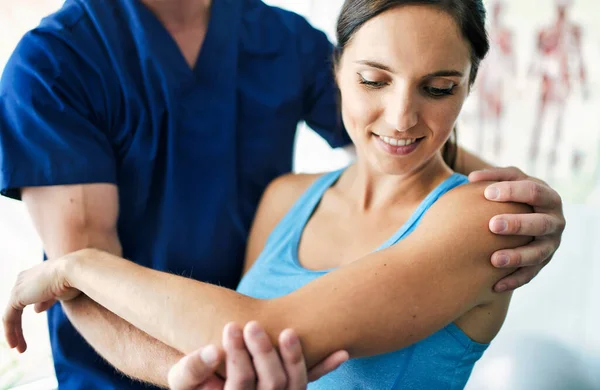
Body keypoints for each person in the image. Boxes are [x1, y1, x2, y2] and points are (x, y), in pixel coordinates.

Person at [1, 0, 565, 388]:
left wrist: (525, 203)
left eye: (443, 87)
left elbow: (400, 138)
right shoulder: (56, 63)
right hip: (128, 368)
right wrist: (207, 373)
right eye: (371, 79)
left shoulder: (283, 42)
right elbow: (92, 284)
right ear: (341, 72)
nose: (401, 106)